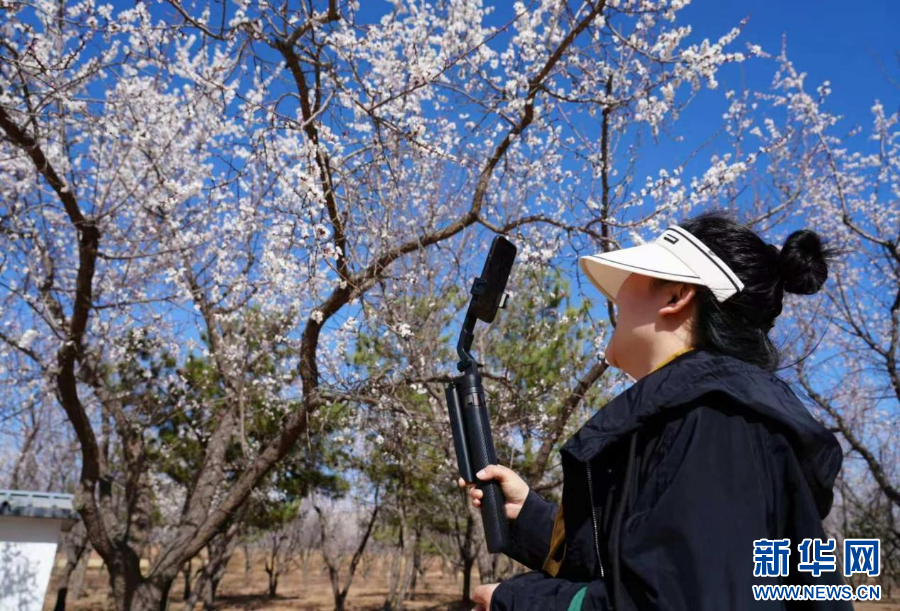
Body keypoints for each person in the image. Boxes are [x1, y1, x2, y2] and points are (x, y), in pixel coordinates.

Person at [459, 210, 853, 610]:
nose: (616, 297)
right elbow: (653, 567)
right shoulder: (700, 418)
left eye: (633, 277)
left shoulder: (718, 423)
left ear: (675, 296)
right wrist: (528, 515)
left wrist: (519, 602)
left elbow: (680, 600)